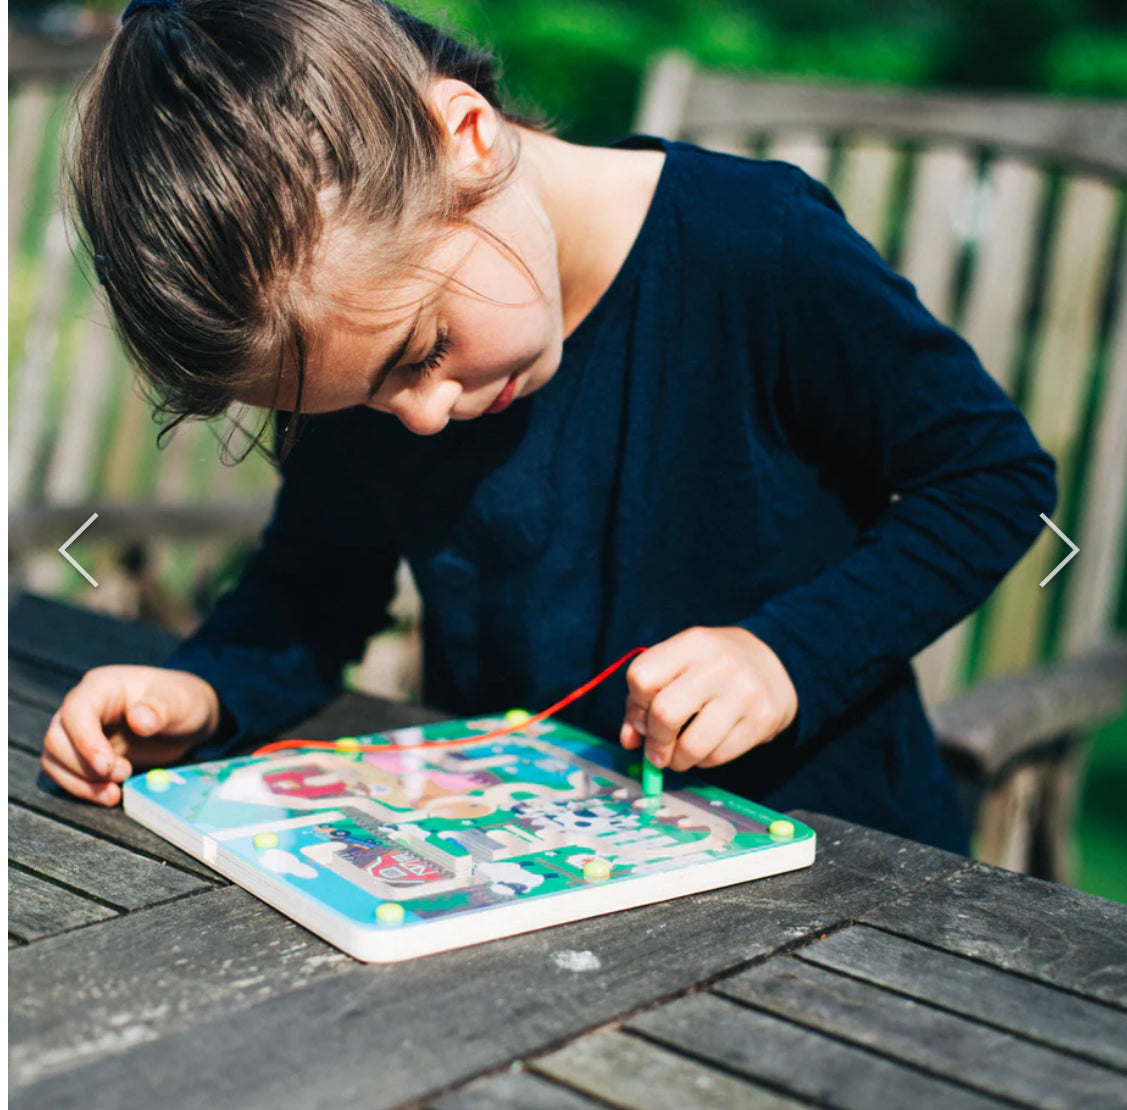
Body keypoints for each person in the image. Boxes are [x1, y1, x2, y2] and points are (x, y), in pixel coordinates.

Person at [42, 0, 1056, 854]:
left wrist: (783, 655)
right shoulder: (361, 343)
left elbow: (988, 477)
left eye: (420, 352)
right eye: (362, 405)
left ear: (468, 139)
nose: (419, 419)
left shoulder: (755, 250)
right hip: (520, 865)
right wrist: (202, 690)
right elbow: (312, 590)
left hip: (834, 864)